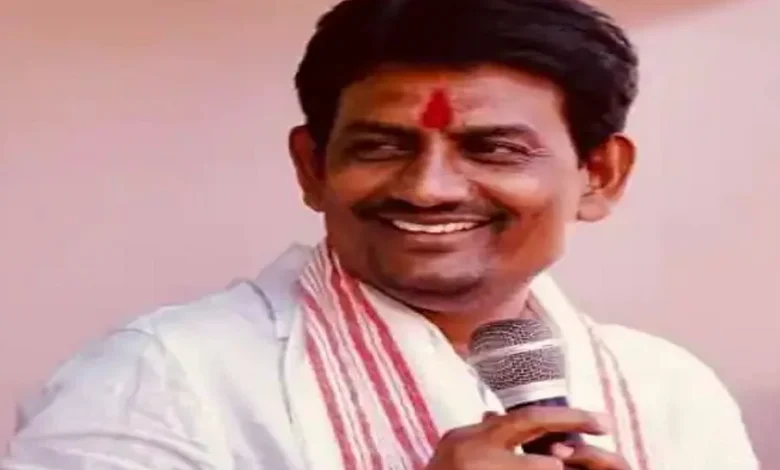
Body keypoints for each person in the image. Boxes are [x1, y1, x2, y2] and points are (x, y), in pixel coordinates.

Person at [1, 0, 759, 468]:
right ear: (312, 167)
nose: (428, 188)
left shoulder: (667, 389)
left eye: (493, 149)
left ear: (599, 176)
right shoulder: (164, 378)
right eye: (380, 146)